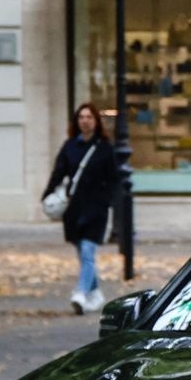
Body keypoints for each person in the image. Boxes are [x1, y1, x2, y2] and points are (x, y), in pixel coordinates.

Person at [43, 102, 124, 314]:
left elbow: (114, 179)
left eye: (89, 117)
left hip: (96, 208)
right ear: (76, 121)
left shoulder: (105, 147)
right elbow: (58, 172)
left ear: (96, 121)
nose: (85, 121)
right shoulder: (70, 145)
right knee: (82, 252)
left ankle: (81, 293)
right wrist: (48, 194)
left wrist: (106, 201)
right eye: (81, 117)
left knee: (88, 251)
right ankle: (96, 294)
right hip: (74, 207)